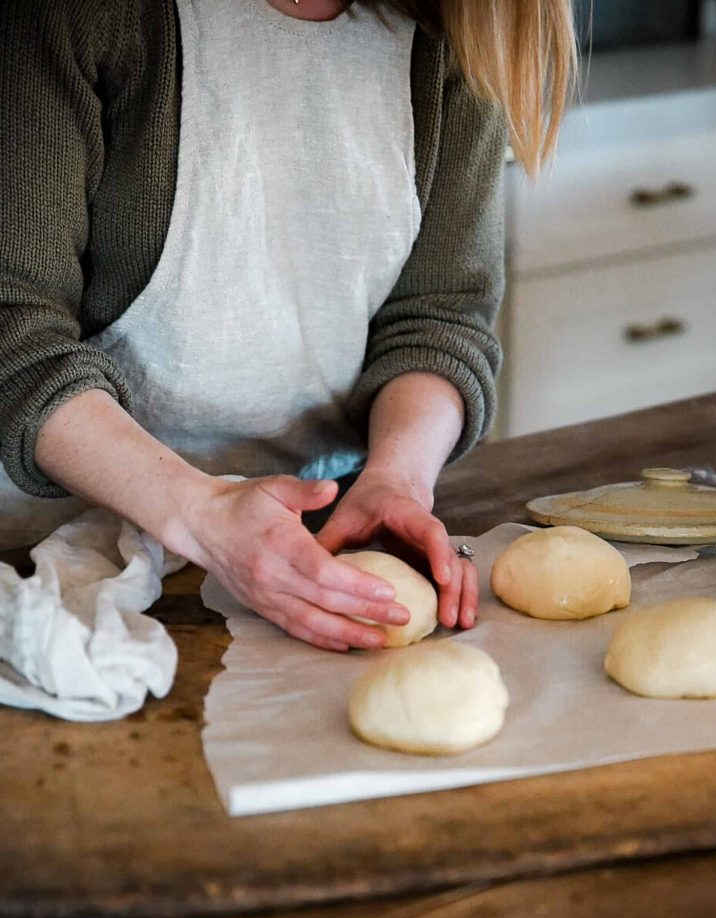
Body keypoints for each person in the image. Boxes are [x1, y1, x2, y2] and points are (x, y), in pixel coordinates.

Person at [0, 0, 576, 651]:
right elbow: (16, 333)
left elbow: (439, 320)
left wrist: (398, 479)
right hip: (45, 567)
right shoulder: (86, 17)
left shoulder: (460, 29)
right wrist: (205, 513)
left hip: (315, 548)